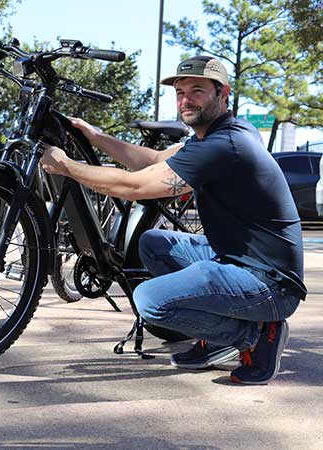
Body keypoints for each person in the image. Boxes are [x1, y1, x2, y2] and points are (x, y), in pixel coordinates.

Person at [40, 55, 306, 385]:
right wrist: (96, 137)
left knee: (150, 302)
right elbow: (150, 160)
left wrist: (66, 166)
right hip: (238, 258)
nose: (185, 99)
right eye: (180, 92)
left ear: (224, 94)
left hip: (269, 284)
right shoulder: (214, 136)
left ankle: (252, 334)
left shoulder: (225, 144)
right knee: (153, 243)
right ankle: (220, 334)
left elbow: (134, 187)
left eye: (197, 90)